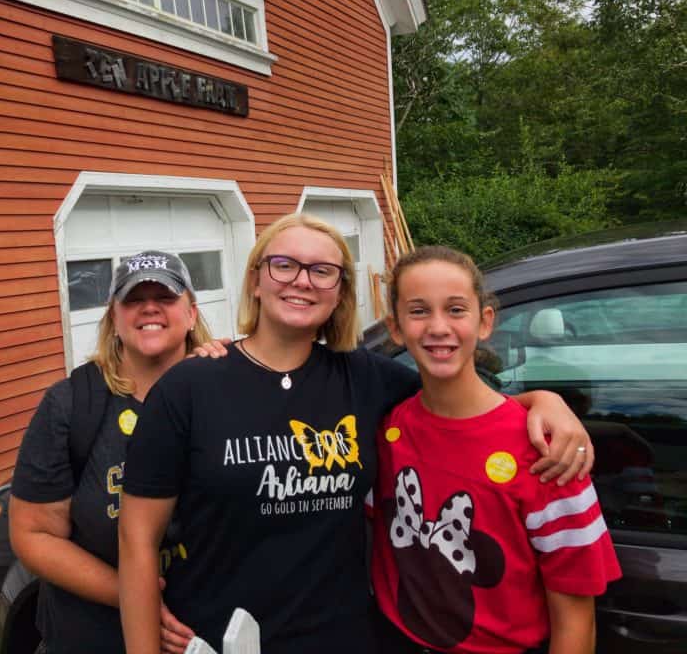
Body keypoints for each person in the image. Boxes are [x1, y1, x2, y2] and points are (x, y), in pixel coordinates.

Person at [117, 213, 593, 654]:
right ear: (255, 280)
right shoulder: (189, 388)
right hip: (217, 639)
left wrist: (543, 402)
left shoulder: (368, 380)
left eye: (322, 270)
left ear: (340, 291)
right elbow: (137, 538)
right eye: (283, 265)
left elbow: (457, 402)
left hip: (345, 638)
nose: (302, 280)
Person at [371, 246, 620, 654]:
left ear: (485, 322)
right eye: (418, 311)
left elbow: (576, 617)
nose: (438, 327)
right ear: (395, 329)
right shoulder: (387, 428)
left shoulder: (546, 452)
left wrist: (545, 401)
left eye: (455, 310)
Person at [9, 251, 206, 654]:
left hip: (214, 629)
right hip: (93, 636)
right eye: (133, 299)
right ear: (113, 318)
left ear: (191, 313)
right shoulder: (72, 406)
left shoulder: (225, 392)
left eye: (165, 297)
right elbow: (33, 534)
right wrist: (133, 596)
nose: (149, 307)